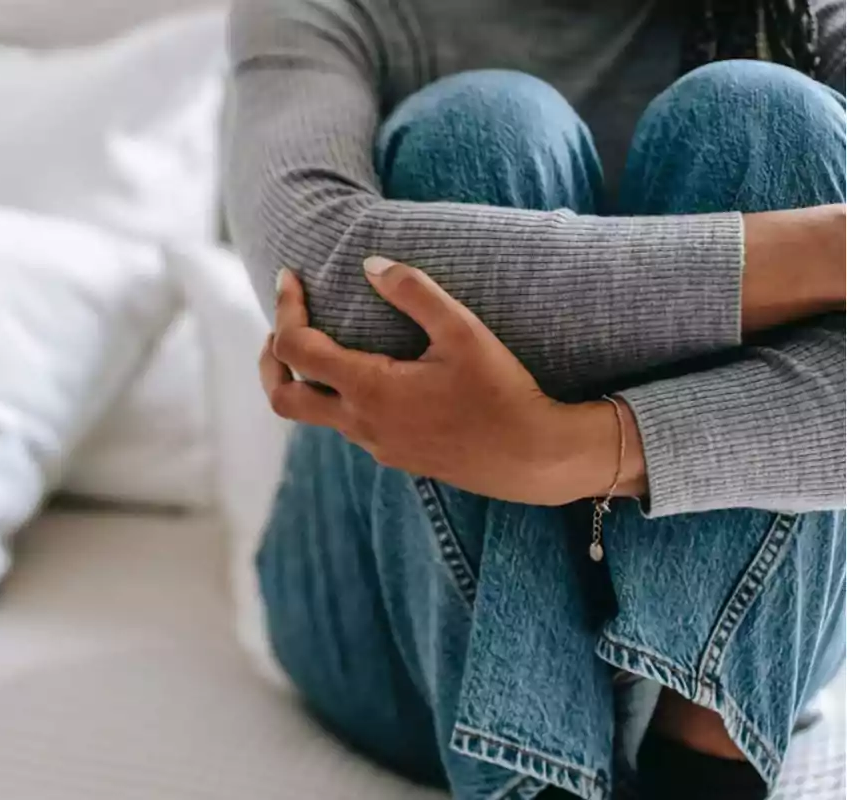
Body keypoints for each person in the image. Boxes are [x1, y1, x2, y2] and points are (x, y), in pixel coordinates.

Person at [223, 0, 846, 798]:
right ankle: (532, 776)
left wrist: (570, 449)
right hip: (392, 622)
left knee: (770, 116)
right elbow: (324, 283)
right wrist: (825, 249)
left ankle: (704, 763)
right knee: (481, 128)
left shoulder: (805, 12)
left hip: (750, 649)